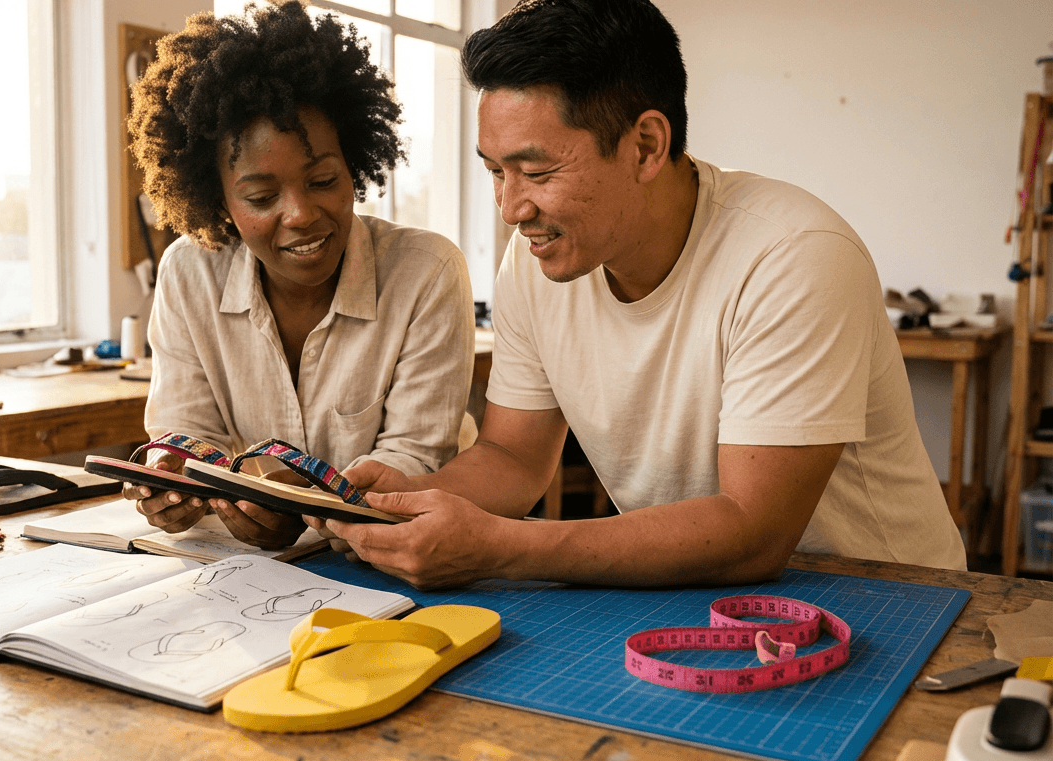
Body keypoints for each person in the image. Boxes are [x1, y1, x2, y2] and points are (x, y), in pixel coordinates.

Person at [312, 0, 966, 589]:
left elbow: (754, 532)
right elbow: (513, 456)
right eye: (494, 171)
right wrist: (414, 499)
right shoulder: (535, 263)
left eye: (536, 172)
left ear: (646, 146)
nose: (511, 208)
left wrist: (503, 548)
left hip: (890, 604)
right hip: (692, 590)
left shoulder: (794, 255)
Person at [125, 1, 475, 550]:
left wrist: (306, 503)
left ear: (354, 166)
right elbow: (188, 435)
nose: (301, 214)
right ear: (217, 201)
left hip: (390, 552)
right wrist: (178, 480)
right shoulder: (189, 273)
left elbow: (413, 460)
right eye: (262, 197)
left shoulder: (426, 273)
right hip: (242, 570)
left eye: (323, 180)